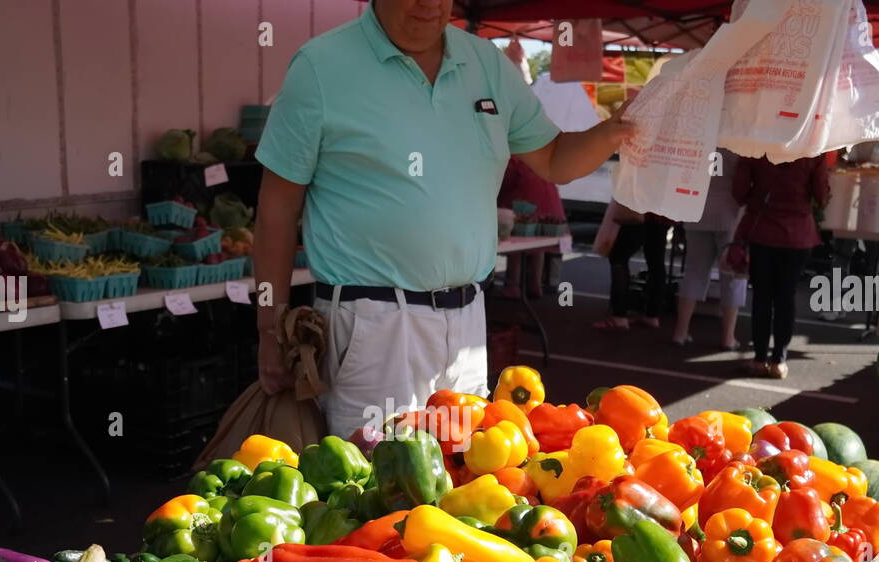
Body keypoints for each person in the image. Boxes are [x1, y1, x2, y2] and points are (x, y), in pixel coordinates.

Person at [253, 0, 632, 437]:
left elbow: (553, 158)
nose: (428, 3)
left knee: (461, 484)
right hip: (372, 328)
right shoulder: (321, 67)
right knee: (368, 492)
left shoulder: (486, 62)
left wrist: (614, 131)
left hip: (468, 321)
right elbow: (276, 209)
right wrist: (269, 325)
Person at [733, 154, 830, 379]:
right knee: (787, 296)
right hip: (798, 233)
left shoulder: (756, 146)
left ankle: (759, 358)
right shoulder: (813, 150)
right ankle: (779, 359)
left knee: (762, 297)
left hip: (762, 230)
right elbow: (821, 195)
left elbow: (738, 192)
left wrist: (756, 197)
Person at [672, 147, 745, 349]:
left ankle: (680, 332)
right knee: (732, 276)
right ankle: (728, 337)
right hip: (729, 215)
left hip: (696, 211)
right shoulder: (738, 144)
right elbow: (744, 184)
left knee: (694, 273)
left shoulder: (699, 142)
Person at [497, 156, 565, 298]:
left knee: (516, 243)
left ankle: (512, 286)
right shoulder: (534, 149)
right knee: (537, 241)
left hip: (524, 198)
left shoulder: (514, 155)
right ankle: (535, 284)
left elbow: (505, 179)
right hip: (548, 199)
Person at [597, 214, 672, 331]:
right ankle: (652, 314)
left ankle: (619, 315)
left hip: (639, 212)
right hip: (661, 216)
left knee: (618, 258)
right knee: (656, 262)